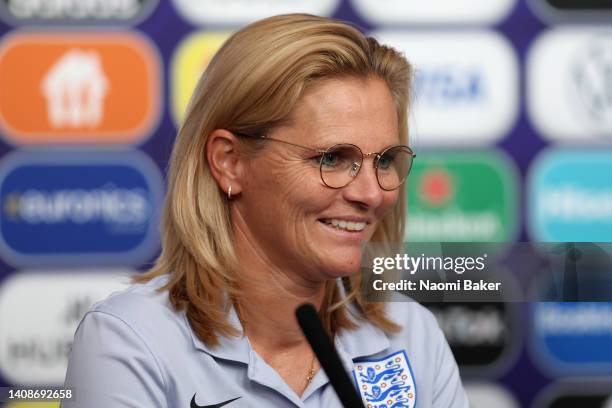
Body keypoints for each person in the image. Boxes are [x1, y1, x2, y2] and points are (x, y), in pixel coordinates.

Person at [62, 14, 468, 408]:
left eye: (383, 161)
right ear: (229, 161)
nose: (371, 194)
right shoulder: (131, 341)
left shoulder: (412, 334)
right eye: (332, 158)